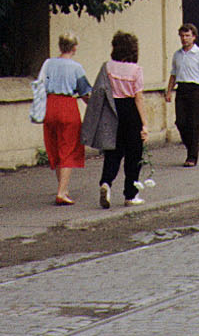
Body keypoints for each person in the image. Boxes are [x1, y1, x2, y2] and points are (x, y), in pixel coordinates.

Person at [38, 33, 92, 204]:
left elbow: (41, 85)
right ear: (74, 47)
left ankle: (63, 187)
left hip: (50, 105)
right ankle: (62, 192)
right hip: (68, 106)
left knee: (54, 146)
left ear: (60, 46)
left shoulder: (48, 64)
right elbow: (84, 93)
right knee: (69, 147)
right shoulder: (76, 68)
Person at [100, 31, 149, 208]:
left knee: (113, 151)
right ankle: (130, 194)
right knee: (133, 154)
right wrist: (144, 123)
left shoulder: (107, 67)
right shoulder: (136, 70)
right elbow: (138, 98)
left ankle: (106, 182)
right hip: (130, 111)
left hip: (113, 110)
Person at [165, 23, 199, 167]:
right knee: (180, 122)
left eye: (187, 36)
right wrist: (169, 91)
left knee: (194, 124)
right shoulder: (177, 55)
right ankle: (193, 145)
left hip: (196, 90)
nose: (184, 39)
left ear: (194, 37)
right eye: (182, 36)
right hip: (182, 89)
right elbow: (173, 75)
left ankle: (192, 156)